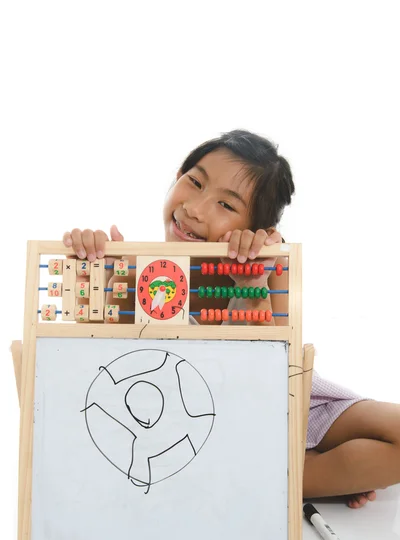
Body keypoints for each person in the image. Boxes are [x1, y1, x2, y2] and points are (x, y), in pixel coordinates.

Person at [63, 129, 400, 509]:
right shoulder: (130, 273)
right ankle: (302, 478)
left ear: (257, 231)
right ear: (178, 175)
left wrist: (251, 283)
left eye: (226, 205)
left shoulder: (270, 270)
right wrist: (94, 274)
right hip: (204, 434)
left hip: (279, 399)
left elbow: (268, 382)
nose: (195, 209)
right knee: (211, 463)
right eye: (194, 182)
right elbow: (106, 384)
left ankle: (301, 470)